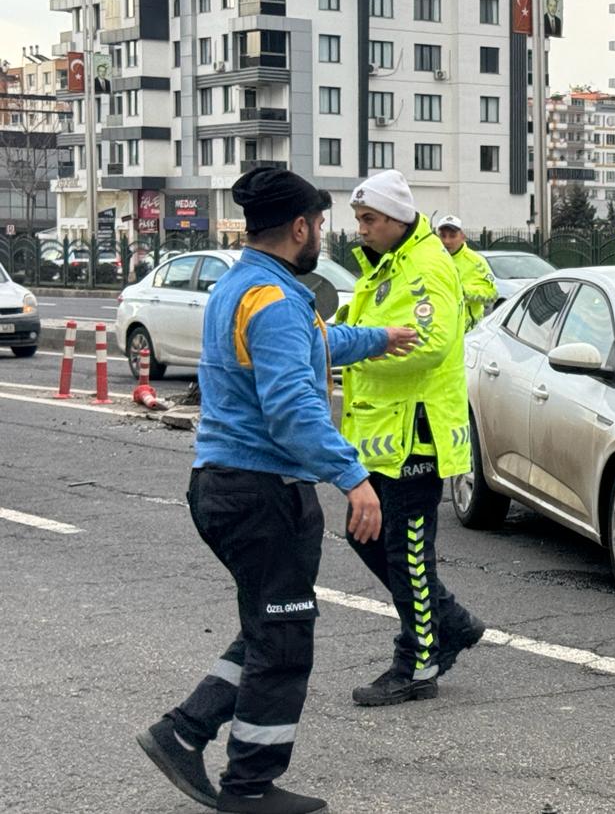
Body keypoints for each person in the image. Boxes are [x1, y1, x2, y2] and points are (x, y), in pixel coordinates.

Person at [137, 167, 418, 814]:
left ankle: (182, 732)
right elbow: (292, 404)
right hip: (260, 493)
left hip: (224, 485)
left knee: (269, 625)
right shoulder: (275, 300)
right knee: (284, 637)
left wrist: (380, 337)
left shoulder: (245, 287)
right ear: (300, 228)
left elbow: (313, 345)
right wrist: (353, 479)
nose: (322, 235)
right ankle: (249, 786)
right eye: (319, 225)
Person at [340, 170, 485, 706]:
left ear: (399, 220)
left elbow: (424, 342)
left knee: (407, 552)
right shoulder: (387, 266)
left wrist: (351, 347)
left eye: (369, 219)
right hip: (385, 435)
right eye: (358, 219)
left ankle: (418, 660)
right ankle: (449, 621)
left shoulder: (425, 266)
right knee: (366, 535)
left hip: (415, 436)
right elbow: (371, 325)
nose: (361, 230)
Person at [434, 214, 499, 328]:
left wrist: (463, 292)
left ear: (463, 237)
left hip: (468, 333)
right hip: (440, 330)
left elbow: (492, 294)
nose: (447, 241)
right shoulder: (433, 259)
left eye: (452, 236)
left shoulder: (476, 261)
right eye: (443, 236)